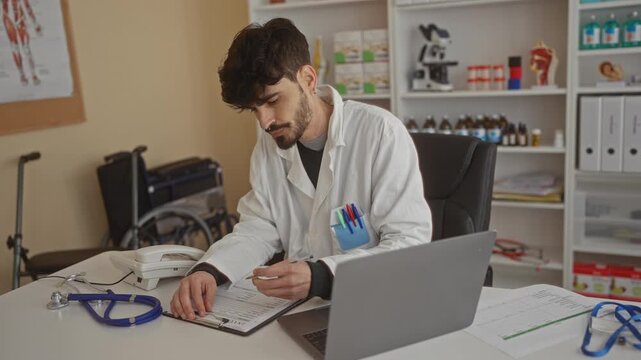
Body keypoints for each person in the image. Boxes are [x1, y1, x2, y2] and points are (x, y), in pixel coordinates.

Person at [170, 18, 432, 320]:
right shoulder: (269, 149)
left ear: (308, 79)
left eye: (272, 101)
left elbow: (409, 244)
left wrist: (323, 276)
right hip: (300, 313)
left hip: (374, 305)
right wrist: (210, 270)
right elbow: (258, 228)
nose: (264, 122)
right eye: (255, 109)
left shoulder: (380, 133)